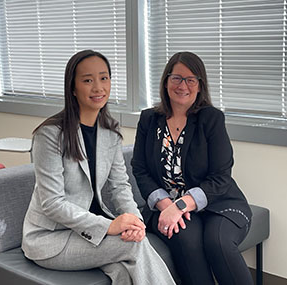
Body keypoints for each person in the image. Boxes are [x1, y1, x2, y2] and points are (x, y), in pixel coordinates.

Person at [22, 50, 175, 285]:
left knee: (125, 272)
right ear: (72, 88)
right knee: (134, 247)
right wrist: (110, 225)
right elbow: (52, 204)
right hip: (51, 239)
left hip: (88, 232)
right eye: (87, 80)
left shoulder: (110, 133)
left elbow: (120, 187)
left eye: (104, 78)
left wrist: (135, 221)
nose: (98, 87)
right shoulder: (50, 135)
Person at [131, 51, 253, 285]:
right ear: (166, 81)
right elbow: (140, 169)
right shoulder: (149, 119)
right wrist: (167, 205)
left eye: (191, 79)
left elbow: (221, 176)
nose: (183, 85)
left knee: (217, 243)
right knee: (186, 239)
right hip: (166, 205)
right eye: (176, 78)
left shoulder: (211, 119)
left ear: (199, 85)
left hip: (219, 203)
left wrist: (180, 205)